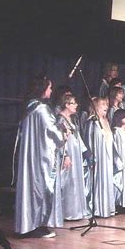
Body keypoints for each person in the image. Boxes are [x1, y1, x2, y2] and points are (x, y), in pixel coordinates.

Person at [15, 75, 70, 238]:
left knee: (32, 188)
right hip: (41, 157)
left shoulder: (29, 108)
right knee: (41, 188)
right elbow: (53, 131)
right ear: (42, 89)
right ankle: (36, 224)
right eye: (49, 87)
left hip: (32, 155)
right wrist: (63, 133)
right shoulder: (41, 109)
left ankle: (28, 224)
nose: (51, 90)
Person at [56, 93, 90, 221]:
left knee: (75, 181)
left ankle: (77, 211)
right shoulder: (60, 120)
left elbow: (77, 137)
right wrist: (65, 155)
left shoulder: (72, 119)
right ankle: (67, 212)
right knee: (68, 182)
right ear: (66, 104)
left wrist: (85, 152)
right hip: (67, 155)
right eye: (73, 103)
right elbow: (59, 140)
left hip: (76, 155)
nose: (76, 105)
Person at [85, 97, 115, 218]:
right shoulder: (92, 122)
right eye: (103, 104)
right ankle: (97, 208)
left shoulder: (107, 121)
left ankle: (107, 208)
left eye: (107, 104)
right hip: (98, 157)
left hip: (108, 156)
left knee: (107, 179)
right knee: (98, 180)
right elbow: (88, 141)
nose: (106, 106)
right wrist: (91, 157)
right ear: (96, 106)